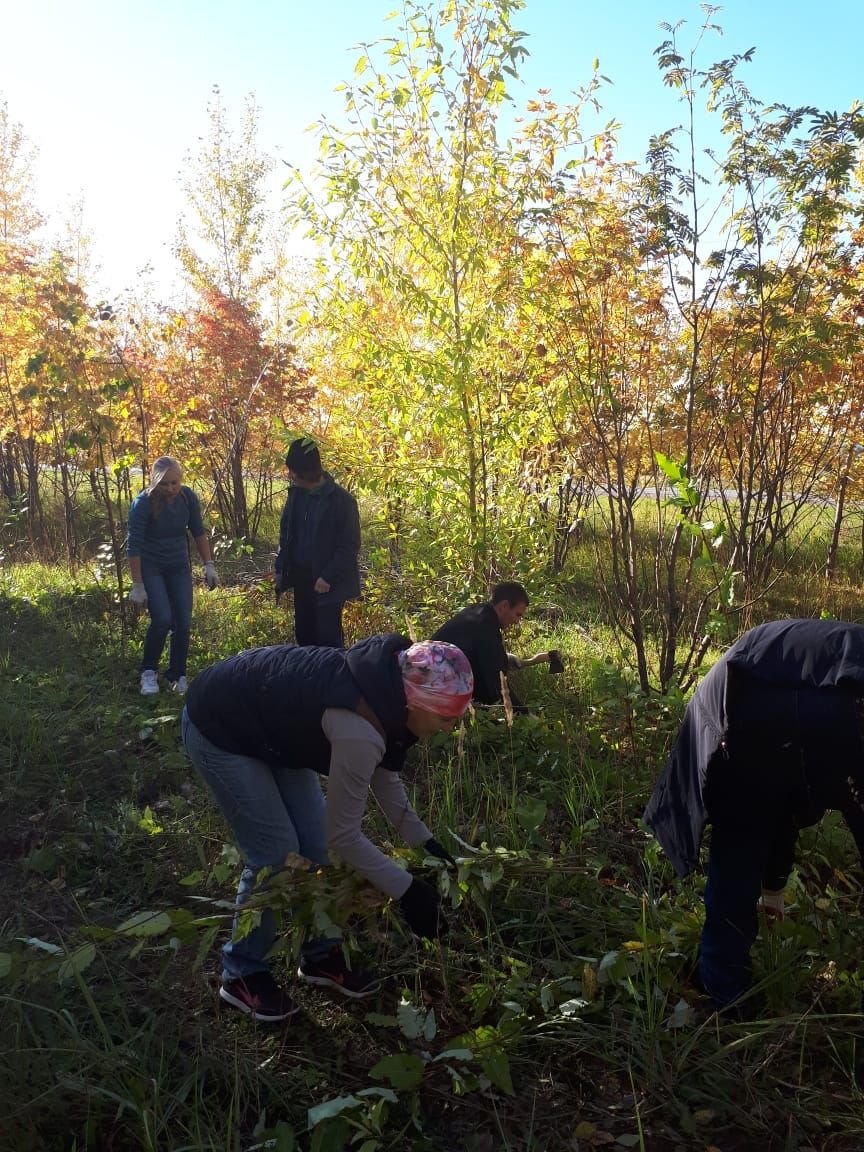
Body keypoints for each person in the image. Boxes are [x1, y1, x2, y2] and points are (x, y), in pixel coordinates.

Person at [181, 636, 473, 1023]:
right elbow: (346, 835)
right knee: (276, 853)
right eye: (446, 718)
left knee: (316, 843)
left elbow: (386, 777)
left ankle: (320, 956)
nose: (450, 728)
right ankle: (241, 972)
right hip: (220, 724)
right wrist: (407, 891)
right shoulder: (360, 728)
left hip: (274, 728)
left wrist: (425, 843)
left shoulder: (391, 695)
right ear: (418, 702)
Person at [643, 618, 864, 1010]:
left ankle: (723, 991)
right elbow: (788, 793)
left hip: (763, 701)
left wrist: (773, 888)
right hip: (750, 697)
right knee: (745, 828)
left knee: (753, 822)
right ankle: (724, 992)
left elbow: (788, 799)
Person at [127, 456, 217, 696]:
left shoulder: (187, 498)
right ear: (155, 482)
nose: (170, 489)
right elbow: (133, 545)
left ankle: (177, 675)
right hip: (152, 567)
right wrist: (138, 584)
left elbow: (198, 531)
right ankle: (148, 672)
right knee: (163, 618)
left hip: (178, 566)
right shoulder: (143, 503)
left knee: (183, 621)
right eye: (165, 484)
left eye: (175, 483)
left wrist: (208, 564)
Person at [274, 437, 361, 648]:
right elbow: (286, 534)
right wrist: (280, 568)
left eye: (294, 471)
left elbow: (350, 545)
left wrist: (327, 576)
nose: (291, 476)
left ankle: (331, 680)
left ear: (306, 471)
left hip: (327, 585)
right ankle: (306, 680)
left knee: (328, 643)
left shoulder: (342, 501)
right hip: (301, 578)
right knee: (304, 638)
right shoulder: (295, 495)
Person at [431, 581, 556, 711]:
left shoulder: (476, 611)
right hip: (433, 691)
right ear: (504, 606)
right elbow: (496, 685)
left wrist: (504, 659)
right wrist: (525, 715)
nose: (517, 621)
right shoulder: (486, 628)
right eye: (517, 614)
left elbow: (479, 655)